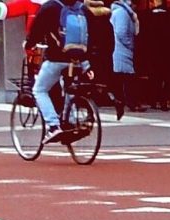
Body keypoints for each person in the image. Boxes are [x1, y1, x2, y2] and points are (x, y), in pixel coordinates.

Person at [27, 0, 92, 139]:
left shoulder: (51, 7)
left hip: (56, 58)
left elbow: (37, 30)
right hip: (78, 60)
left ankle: (53, 126)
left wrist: (29, 44)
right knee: (70, 88)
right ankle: (71, 120)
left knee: (39, 90)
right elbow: (91, 35)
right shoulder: (82, 9)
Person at [108, 0, 137, 111]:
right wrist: (130, 45)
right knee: (127, 76)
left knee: (122, 76)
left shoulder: (119, 11)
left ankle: (123, 100)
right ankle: (130, 102)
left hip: (120, 48)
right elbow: (121, 32)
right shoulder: (122, 13)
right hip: (122, 49)